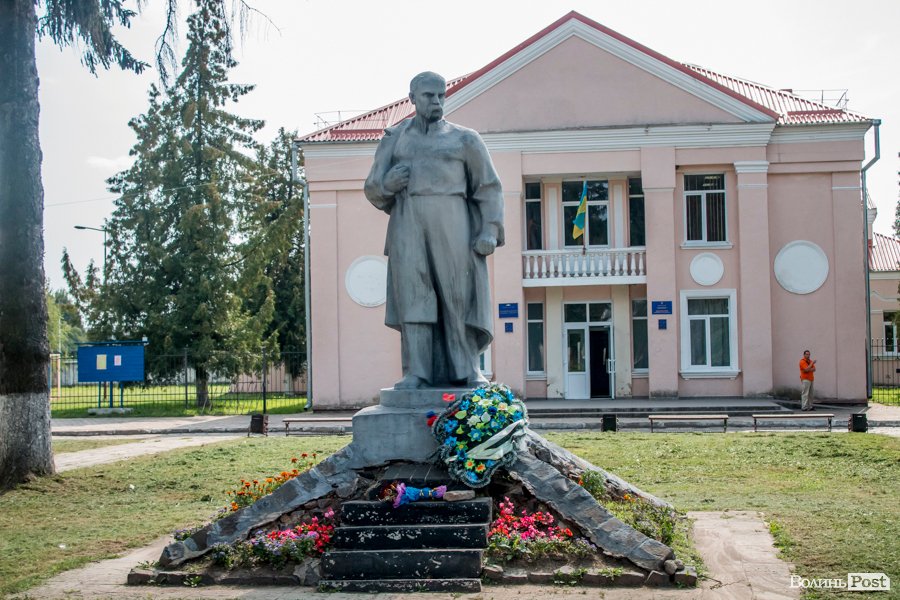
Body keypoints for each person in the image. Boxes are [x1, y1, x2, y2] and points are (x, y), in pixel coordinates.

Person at [364, 71, 504, 390]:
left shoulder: (465, 139)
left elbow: (489, 187)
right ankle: (417, 372)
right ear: (412, 98)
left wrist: (489, 229)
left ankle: (468, 369)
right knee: (414, 296)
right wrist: (388, 185)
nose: (437, 101)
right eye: (429, 96)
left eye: (441, 95)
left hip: (453, 219)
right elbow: (373, 186)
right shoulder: (394, 138)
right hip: (408, 221)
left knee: (458, 295)